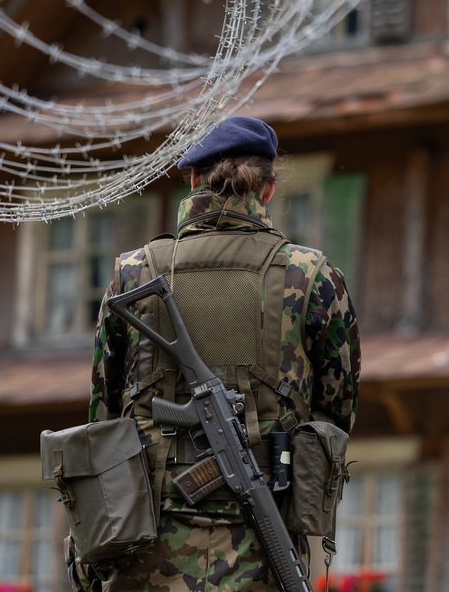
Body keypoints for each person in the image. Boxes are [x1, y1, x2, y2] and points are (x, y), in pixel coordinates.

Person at [76, 115, 361, 591]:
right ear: (268, 189)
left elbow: (103, 413)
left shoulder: (135, 274)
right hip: (262, 546)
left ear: (192, 181)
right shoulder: (311, 276)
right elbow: (338, 411)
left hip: (146, 545)